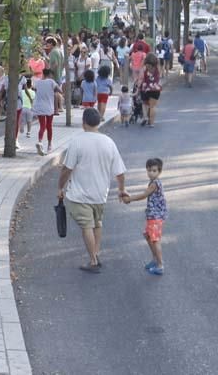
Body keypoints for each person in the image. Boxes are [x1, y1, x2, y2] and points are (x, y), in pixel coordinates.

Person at [57, 108, 127, 272]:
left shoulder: (77, 141)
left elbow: (67, 169)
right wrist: (121, 190)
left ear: (83, 123)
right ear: (98, 122)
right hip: (100, 193)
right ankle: (95, 253)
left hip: (80, 194)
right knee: (97, 223)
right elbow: (120, 172)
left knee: (86, 226)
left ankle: (93, 260)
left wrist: (60, 187)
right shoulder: (109, 142)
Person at [122, 158, 168, 275]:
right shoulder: (152, 182)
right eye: (149, 170)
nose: (151, 173)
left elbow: (144, 195)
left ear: (159, 172)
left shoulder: (155, 184)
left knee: (155, 240)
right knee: (147, 235)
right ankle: (154, 259)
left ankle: (160, 264)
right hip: (152, 215)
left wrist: (130, 199)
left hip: (156, 216)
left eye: (154, 170)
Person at [32, 68, 61, 156]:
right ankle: (49, 144)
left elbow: (36, 90)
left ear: (43, 74)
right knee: (49, 126)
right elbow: (60, 90)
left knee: (42, 126)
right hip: (49, 107)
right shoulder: (52, 82)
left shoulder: (38, 82)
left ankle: (40, 141)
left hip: (40, 106)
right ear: (49, 75)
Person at [139, 53, 163, 127]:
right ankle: (151, 123)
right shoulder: (157, 67)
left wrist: (138, 86)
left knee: (144, 104)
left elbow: (141, 77)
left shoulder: (144, 67)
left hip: (145, 88)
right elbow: (160, 74)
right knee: (152, 106)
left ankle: (145, 117)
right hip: (155, 88)